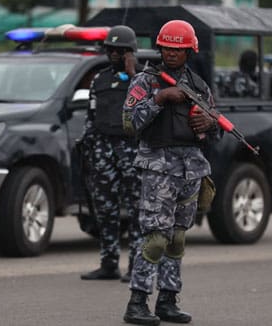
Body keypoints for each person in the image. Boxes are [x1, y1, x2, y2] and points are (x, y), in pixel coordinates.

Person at [121, 20, 220, 325]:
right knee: (155, 239)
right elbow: (129, 124)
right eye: (167, 47)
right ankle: (137, 302)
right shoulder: (145, 82)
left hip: (189, 169)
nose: (172, 53)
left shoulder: (198, 84)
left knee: (177, 238)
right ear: (160, 47)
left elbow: (214, 123)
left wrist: (209, 123)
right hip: (158, 169)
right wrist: (160, 99)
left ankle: (167, 300)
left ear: (190, 50)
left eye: (179, 48)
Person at [79, 25, 143, 283]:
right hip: (103, 151)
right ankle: (109, 263)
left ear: (130, 52)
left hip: (131, 151)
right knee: (105, 210)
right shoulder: (100, 79)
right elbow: (91, 116)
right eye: (110, 49)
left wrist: (132, 72)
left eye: (120, 50)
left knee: (137, 210)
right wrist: (89, 146)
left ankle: (137, 266)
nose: (114, 53)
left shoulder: (143, 78)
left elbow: (148, 108)